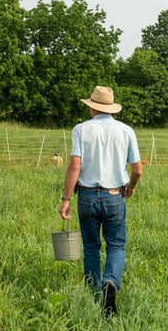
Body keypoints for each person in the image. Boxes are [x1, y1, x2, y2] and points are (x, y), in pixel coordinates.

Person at [59, 86, 142, 317]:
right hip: (115, 195)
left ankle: (94, 293)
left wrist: (65, 199)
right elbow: (138, 169)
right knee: (116, 245)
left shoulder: (81, 130)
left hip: (86, 195)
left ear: (93, 106)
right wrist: (131, 187)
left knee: (91, 246)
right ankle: (111, 282)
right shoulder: (126, 131)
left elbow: (75, 166)